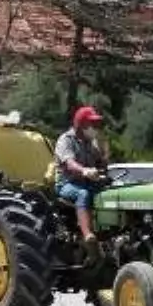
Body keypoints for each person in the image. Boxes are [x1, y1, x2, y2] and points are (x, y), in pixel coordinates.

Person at [55, 105, 107, 260]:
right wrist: (84, 171)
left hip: (87, 182)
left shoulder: (91, 142)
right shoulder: (66, 140)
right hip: (66, 184)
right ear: (81, 124)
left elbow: (101, 163)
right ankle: (87, 234)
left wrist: (103, 159)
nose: (95, 128)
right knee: (82, 194)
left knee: (108, 193)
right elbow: (69, 163)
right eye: (92, 124)